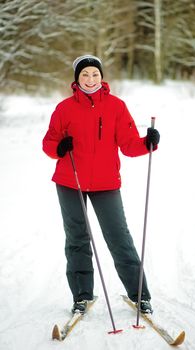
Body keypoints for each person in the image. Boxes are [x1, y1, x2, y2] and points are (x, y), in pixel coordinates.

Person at [42, 54, 160, 315]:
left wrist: (147, 142)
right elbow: (48, 143)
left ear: (101, 76)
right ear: (77, 79)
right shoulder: (64, 108)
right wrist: (59, 147)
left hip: (106, 182)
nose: (90, 79)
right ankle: (82, 296)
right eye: (84, 74)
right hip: (70, 181)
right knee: (77, 239)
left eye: (95, 74)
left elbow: (129, 144)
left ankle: (139, 295)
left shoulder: (116, 106)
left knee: (119, 237)